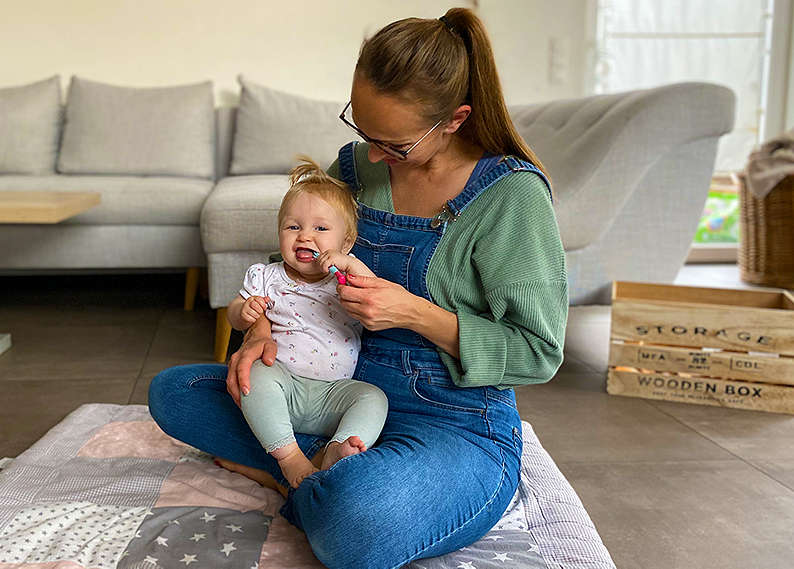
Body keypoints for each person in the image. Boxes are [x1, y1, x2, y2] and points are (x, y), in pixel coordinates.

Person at [149, 7, 568, 568]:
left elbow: (539, 353)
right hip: (328, 396)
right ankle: (313, 468)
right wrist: (260, 331)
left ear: (455, 119)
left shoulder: (512, 198)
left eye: (393, 144)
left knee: (360, 521)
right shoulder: (356, 167)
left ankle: (292, 478)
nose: (370, 156)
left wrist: (415, 313)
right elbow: (290, 265)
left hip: (448, 420)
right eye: (361, 130)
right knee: (175, 393)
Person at [230, 156, 387, 489]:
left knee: (374, 398)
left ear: (346, 242)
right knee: (255, 376)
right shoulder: (266, 276)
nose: (304, 237)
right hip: (281, 384)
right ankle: (290, 459)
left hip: (332, 395)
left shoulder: (345, 277)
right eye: (293, 227)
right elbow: (235, 309)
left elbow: (375, 295)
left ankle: (335, 449)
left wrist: (348, 264)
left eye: (320, 229)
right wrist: (243, 312)